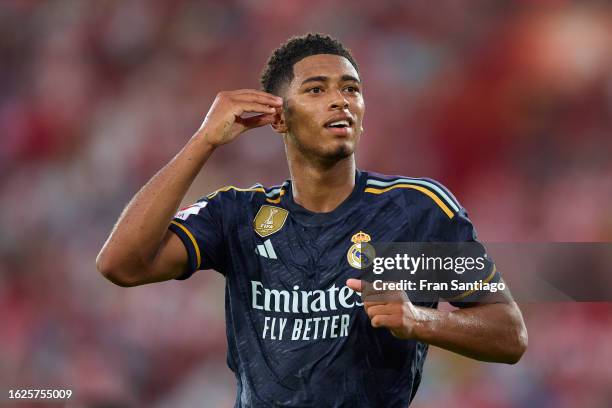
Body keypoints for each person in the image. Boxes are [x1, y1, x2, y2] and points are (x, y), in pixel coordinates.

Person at [97, 33, 527, 407]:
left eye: (351, 89)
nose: (340, 99)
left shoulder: (413, 211)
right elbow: (121, 265)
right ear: (279, 117)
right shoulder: (239, 216)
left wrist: (419, 320)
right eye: (316, 90)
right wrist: (203, 140)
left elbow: (508, 334)